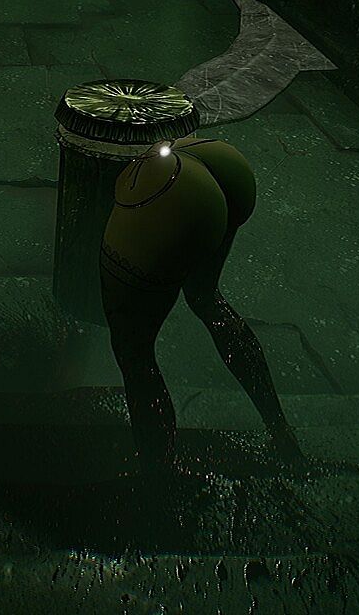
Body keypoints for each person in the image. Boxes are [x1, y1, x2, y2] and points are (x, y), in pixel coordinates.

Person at [100, 135, 302, 469]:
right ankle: (281, 432)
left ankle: (158, 477)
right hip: (214, 159)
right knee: (205, 296)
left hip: (161, 189)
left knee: (134, 352)